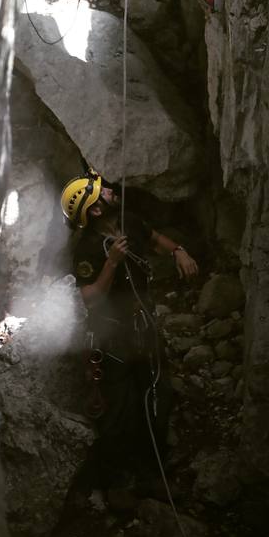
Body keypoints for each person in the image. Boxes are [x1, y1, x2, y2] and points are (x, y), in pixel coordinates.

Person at [61, 169, 198, 496]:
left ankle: (153, 472)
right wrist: (111, 263)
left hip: (143, 326)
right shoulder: (88, 249)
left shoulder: (129, 222)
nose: (109, 191)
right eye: (102, 192)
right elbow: (91, 298)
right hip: (112, 336)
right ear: (94, 209)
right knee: (117, 408)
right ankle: (118, 480)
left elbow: (153, 239)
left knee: (156, 395)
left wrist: (178, 250)